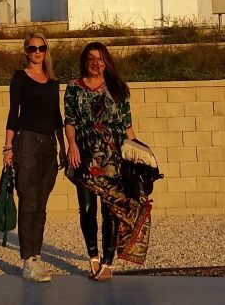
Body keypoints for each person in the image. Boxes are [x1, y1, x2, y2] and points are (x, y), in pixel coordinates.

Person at [64, 42, 153, 281]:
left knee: (111, 211)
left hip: (114, 160)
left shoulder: (118, 89)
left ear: (107, 62)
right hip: (83, 157)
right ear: (84, 61)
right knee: (87, 210)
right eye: (91, 58)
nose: (96, 63)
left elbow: (127, 127)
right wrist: (71, 145)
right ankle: (93, 255)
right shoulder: (74, 88)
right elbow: (70, 121)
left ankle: (108, 261)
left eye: (101, 58)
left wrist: (139, 155)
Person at [3, 32, 64, 283]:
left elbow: (57, 116)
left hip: (49, 144)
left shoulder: (53, 82)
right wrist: (8, 148)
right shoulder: (20, 77)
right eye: (32, 48)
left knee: (41, 203)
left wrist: (64, 146)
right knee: (28, 200)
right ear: (26, 51)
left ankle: (36, 256)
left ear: (46, 51)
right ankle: (28, 260)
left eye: (41, 48)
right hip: (26, 141)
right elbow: (13, 113)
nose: (37, 52)